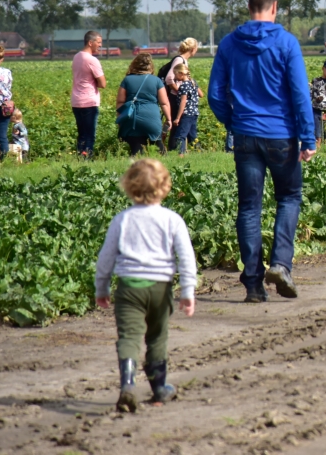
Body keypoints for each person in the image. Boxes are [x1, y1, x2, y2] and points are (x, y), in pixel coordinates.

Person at [208, 0, 316, 303]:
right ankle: (281, 264)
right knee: (289, 197)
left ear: (249, 6)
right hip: (281, 135)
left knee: (249, 208)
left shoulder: (229, 44)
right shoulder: (286, 43)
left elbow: (215, 94)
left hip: (245, 136)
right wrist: (308, 137)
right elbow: (299, 94)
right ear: (274, 7)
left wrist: (234, 121)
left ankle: (253, 285)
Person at [94, 159, 196, 413]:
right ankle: (159, 388)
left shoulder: (122, 220)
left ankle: (128, 385)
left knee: (129, 337)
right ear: (165, 187)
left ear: (129, 186)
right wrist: (187, 290)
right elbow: (186, 257)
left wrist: (102, 287)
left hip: (129, 289)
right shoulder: (172, 220)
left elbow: (106, 256)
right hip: (160, 289)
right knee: (157, 337)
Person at [116, 54, 172, 157]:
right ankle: (165, 168)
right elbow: (164, 103)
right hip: (152, 118)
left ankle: (136, 171)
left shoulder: (127, 80)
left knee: (136, 151)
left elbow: (120, 102)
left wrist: (120, 118)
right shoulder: (156, 81)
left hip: (132, 120)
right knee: (159, 148)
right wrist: (169, 119)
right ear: (150, 65)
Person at [158, 38, 200, 153]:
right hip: (174, 96)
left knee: (178, 124)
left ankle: (174, 148)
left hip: (178, 96)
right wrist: (180, 92)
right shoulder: (179, 60)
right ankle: (172, 148)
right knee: (176, 123)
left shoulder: (182, 60)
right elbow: (169, 79)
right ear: (193, 49)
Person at [71, 31, 107, 158]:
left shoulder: (76, 57)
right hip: (89, 101)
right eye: (98, 42)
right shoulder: (92, 60)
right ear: (90, 43)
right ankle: (87, 158)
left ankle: (80, 157)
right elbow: (103, 83)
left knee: (81, 134)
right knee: (90, 135)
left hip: (76, 101)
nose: (100, 45)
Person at [166, 64, 200, 156]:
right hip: (194, 113)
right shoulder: (193, 82)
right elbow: (200, 94)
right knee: (193, 136)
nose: (175, 77)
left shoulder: (184, 85)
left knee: (180, 136)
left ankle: (180, 155)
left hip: (186, 114)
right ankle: (199, 152)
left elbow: (183, 102)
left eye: (175, 74)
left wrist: (177, 117)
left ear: (181, 74)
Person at [0, 44, 13, 161]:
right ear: (2, 59)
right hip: (4, 107)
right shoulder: (7, 72)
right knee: (2, 137)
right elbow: (8, 87)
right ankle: (4, 161)